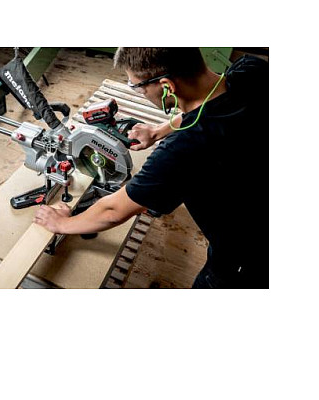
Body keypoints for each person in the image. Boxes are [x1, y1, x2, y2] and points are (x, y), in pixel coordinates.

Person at [34, 48, 268, 289]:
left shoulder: (183, 148)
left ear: (166, 86)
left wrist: (62, 224)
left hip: (247, 258)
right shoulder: (252, 70)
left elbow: (113, 211)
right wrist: (158, 131)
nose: (141, 93)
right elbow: (210, 106)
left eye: (138, 87)